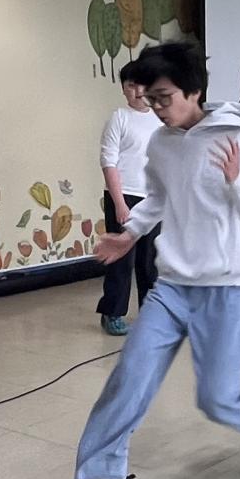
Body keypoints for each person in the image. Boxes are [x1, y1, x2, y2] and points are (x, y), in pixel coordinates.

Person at [69, 42, 240, 479]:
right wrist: (129, 234)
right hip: (173, 285)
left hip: (226, 286)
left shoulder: (234, 136)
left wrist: (236, 180)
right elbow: (158, 197)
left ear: (193, 91)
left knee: (217, 398)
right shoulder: (162, 143)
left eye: (164, 98)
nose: (156, 108)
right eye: (150, 99)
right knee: (129, 376)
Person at [95, 60, 161, 335]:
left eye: (142, 85)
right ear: (124, 89)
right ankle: (112, 313)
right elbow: (108, 162)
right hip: (124, 196)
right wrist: (120, 203)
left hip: (152, 198)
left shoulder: (159, 118)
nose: (137, 91)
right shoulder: (119, 118)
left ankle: (151, 313)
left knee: (150, 260)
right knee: (122, 260)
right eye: (131, 86)